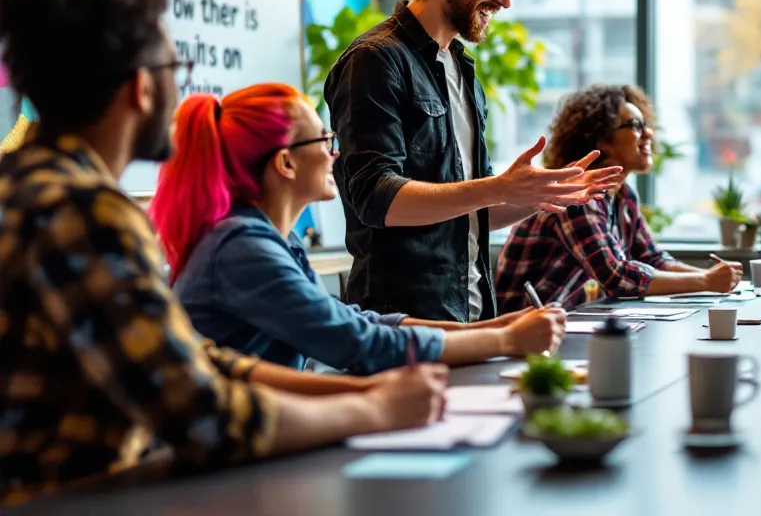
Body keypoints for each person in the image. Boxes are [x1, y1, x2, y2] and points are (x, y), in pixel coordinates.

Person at [0, 0, 446, 506]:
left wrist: (365, 389)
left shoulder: (27, 188)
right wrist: (375, 409)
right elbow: (204, 418)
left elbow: (193, 357)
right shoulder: (82, 212)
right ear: (141, 88)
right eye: (175, 72)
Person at [325, 0, 623, 322]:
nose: (505, 1)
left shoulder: (462, 68)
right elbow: (378, 200)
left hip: (471, 311)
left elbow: (469, 208)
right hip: (403, 321)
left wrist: (537, 195)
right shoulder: (376, 59)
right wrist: (499, 187)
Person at [153, 84, 566, 374]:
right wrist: (505, 342)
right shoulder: (240, 249)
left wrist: (489, 329)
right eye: (322, 139)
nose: (335, 152)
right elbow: (356, 342)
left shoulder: (274, 240)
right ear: (286, 163)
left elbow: (355, 320)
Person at [497, 85, 743, 311]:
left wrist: (714, 278)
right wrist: (706, 280)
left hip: (564, 323)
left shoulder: (624, 195)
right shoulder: (575, 192)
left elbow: (651, 258)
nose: (648, 133)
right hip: (522, 330)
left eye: (645, 124)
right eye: (635, 125)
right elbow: (616, 277)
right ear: (603, 138)